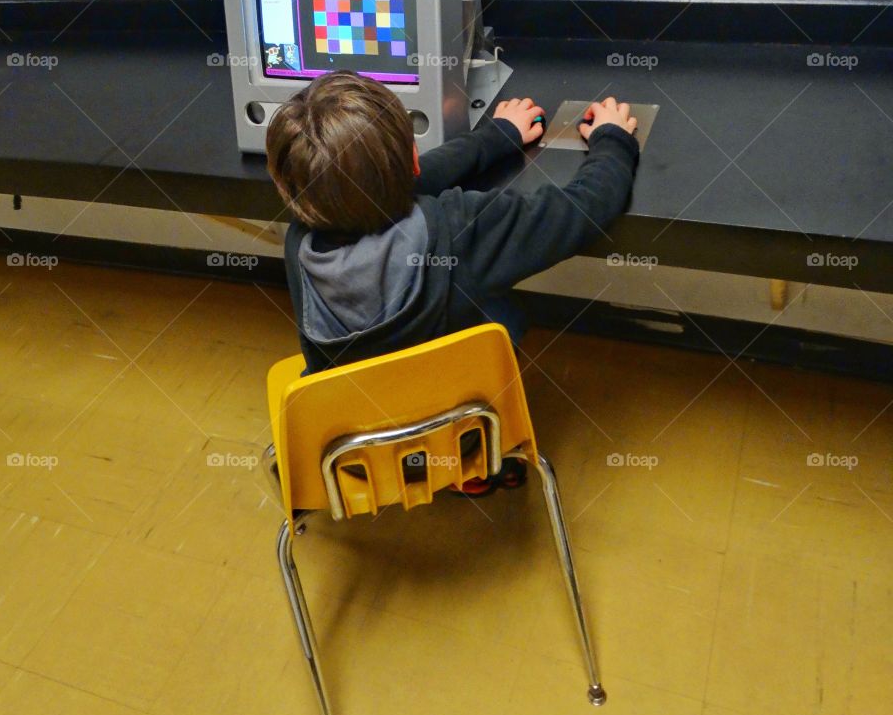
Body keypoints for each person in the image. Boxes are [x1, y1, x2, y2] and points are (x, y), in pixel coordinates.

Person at [266, 72, 639, 493]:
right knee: (504, 315)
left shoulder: (301, 238)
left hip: (351, 453)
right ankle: (477, 465)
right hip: (458, 440)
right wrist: (613, 139)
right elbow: (584, 210)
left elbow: (391, 185)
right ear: (412, 157)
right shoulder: (459, 227)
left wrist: (497, 136)